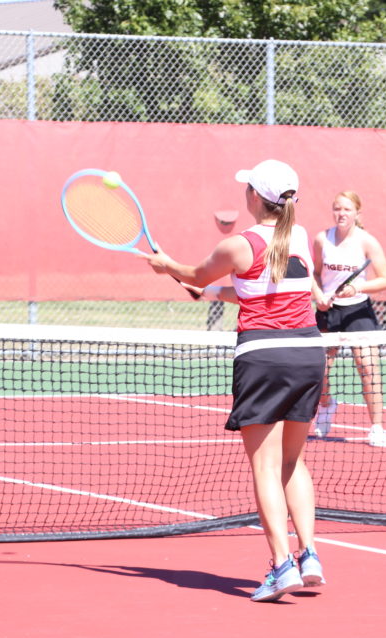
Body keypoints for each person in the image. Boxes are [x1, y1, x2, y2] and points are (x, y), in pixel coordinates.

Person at [140, 159, 325, 602]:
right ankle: (310, 554)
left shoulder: (239, 244)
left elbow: (196, 273)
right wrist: (198, 286)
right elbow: (251, 287)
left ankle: (282, 566)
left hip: (263, 357)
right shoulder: (298, 236)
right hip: (308, 355)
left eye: (247, 190)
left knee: (264, 467)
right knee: (292, 463)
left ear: (255, 199)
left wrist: (169, 268)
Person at [311, 190, 386, 448]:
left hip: (358, 311)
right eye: (337, 208)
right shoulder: (322, 239)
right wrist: (319, 296)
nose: (341, 214)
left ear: (357, 213)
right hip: (328, 311)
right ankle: (327, 405)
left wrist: (357, 288)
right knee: (318, 370)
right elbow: (314, 273)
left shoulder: (367, 241)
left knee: (367, 367)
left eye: (347, 209)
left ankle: (377, 428)